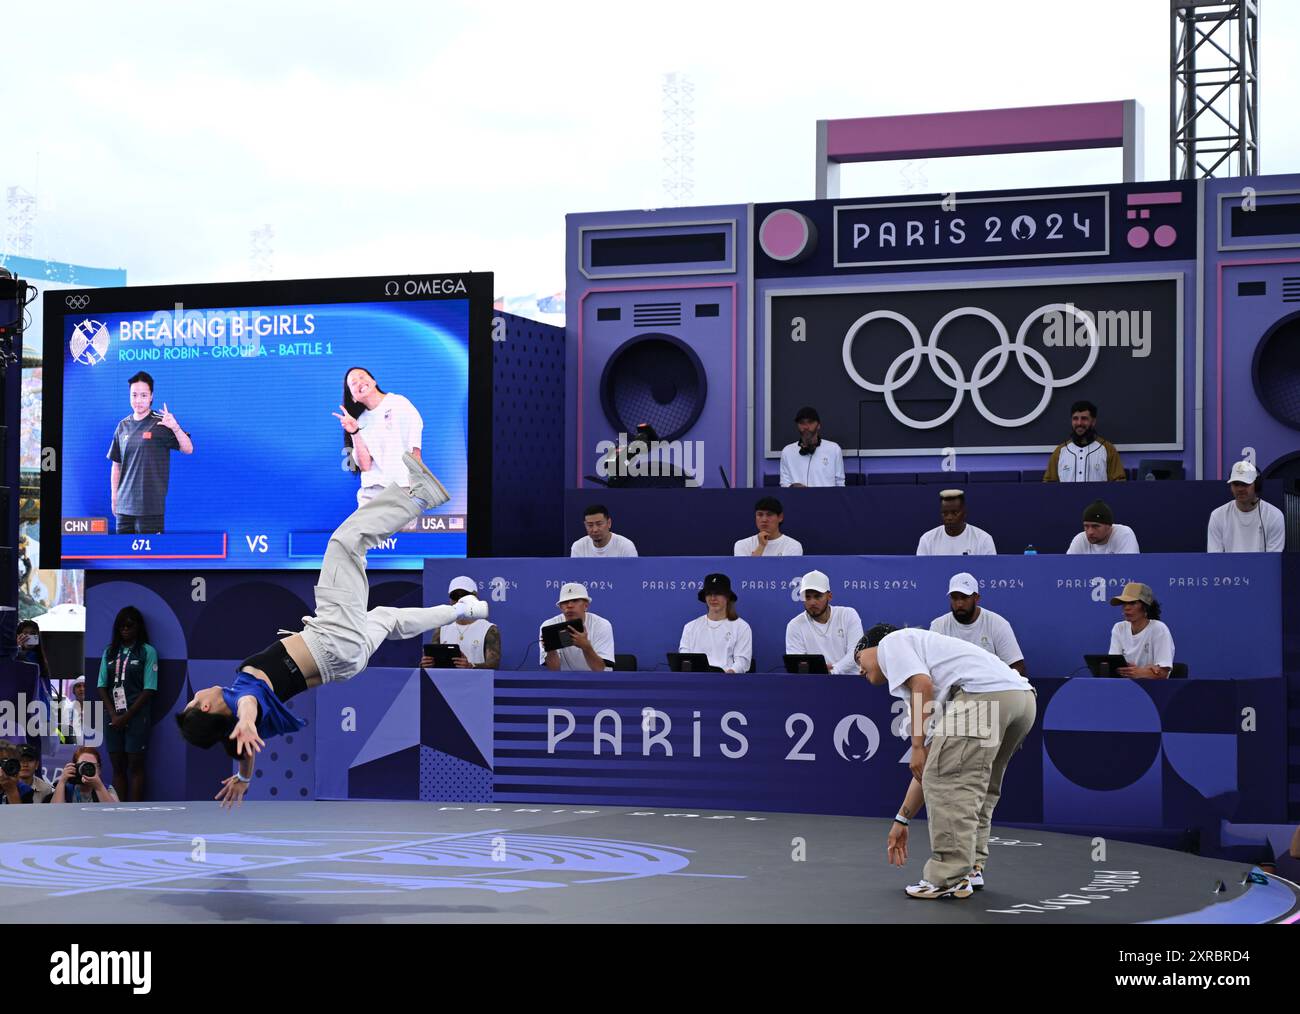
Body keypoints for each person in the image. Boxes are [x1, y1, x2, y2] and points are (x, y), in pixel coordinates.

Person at [176, 452, 480, 807]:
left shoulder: (243, 720)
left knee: (387, 617)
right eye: (196, 701)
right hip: (331, 639)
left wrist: (244, 777)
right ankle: (421, 496)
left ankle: (462, 610)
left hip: (346, 663)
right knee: (344, 543)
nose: (198, 694)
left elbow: (244, 749)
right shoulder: (241, 695)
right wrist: (245, 720)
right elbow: (248, 701)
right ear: (209, 709)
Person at [855, 624, 1036, 900]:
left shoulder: (892, 642)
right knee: (976, 787)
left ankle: (947, 877)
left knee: (952, 785)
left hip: (984, 697)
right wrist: (901, 819)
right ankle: (971, 869)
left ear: (872, 645)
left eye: (859, 659)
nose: (859, 670)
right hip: (1020, 700)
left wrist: (916, 745)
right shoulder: (934, 671)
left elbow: (922, 685)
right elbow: (930, 772)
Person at [107, 370, 194, 534]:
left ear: (151, 396)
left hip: (151, 509)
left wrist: (175, 427)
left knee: (149, 558)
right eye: (134, 395)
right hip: (124, 509)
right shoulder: (122, 426)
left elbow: (188, 449)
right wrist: (114, 497)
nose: (138, 400)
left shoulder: (162, 423)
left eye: (143, 395)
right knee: (124, 557)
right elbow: (116, 465)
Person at [333, 367, 425, 506]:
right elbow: (365, 466)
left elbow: (415, 451)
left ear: (374, 381)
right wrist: (355, 432)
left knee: (406, 527)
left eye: (362, 377)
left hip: (403, 487)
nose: (360, 382)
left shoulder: (399, 402)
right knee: (361, 528)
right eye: (353, 383)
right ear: (353, 397)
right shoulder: (358, 421)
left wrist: (416, 485)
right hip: (371, 492)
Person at [96, 606, 158, 803]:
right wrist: (114, 715)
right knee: (117, 766)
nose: (125, 630)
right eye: (121, 626)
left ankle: (135, 809)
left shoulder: (147, 651)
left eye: (130, 626)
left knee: (135, 765)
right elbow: (101, 685)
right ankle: (119, 810)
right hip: (113, 716)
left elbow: (149, 689)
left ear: (138, 627)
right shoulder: (110, 651)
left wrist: (126, 716)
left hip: (137, 715)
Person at [929, 573, 1026, 675]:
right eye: (954, 598)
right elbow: (931, 667)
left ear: (976, 598)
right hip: (953, 687)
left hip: (991, 687)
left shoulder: (998, 623)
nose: (959, 604)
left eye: (964, 597)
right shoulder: (938, 626)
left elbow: (1017, 666)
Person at [784, 570, 864, 674]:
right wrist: (826, 673)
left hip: (851, 681)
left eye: (817, 596)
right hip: (814, 684)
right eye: (807, 597)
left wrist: (833, 671)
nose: (812, 602)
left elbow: (856, 653)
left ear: (829, 596)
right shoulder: (794, 625)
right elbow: (798, 665)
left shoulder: (848, 615)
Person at [421, 576, 501, 670]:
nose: (460, 601)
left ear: (475, 597)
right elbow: (433, 660)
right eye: (455, 596)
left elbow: (493, 665)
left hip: (476, 683)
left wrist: (471, 666)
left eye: (464, 596)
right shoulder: (441, 628)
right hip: (445, 682)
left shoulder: (489, 629)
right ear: (450, 599)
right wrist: (427, 664)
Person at [679, 573, 753, 674]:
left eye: (718, 593)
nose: (713, 598)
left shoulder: (742, 627)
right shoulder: (690, 627)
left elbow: (742, 661)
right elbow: (684, 658)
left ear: (727, 597)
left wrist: (730, 673)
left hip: (728, 684)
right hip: (696, 683)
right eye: (709, 593)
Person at [1207, 460, 1285, 552]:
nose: (1240, 489)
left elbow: (1273, 560)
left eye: (1245, 484)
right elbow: (1215, 558)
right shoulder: (1217, 516)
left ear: (1256, 486)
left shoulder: (1274, 515)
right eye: (1236, 484)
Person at [1043, 400, 1125, 483]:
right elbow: (1049, 484)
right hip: (1067, 496)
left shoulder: (1108, 449)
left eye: (1084, 418)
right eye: (1075, 418)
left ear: (1093, 422)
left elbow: (1119, 483)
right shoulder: (1060, 451)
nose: (1079, 423)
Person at [539, 583, 615, 672]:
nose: (569, 605)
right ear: (560, 607)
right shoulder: (549, 626)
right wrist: (550, 650)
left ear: (586, 605)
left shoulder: (602, 625)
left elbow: (599, 669)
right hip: (566, 682)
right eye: (564, 602)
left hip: (599, 681)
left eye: (575, 600)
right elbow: (554, 669)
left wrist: (586, 647)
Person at [1107, 582, 1173, 679]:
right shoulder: (1118, 628)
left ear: (1145, 606)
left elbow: (1163, 673)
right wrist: (1145, 671)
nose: (1126, 608)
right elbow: (1114, 667)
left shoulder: (1159, 628)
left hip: (1153, 691)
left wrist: (1139, 672)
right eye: (1124, 603)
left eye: (1132, 603)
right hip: (1124, 687)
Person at [915, 489, 996, 556]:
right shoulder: (927, 540)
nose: (949, 517)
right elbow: (921, 570)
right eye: (945, 513)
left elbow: (990, 571)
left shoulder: (983, 539)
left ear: (964, 513)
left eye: (955, 513)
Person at [780, 406, 845, 488]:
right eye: (802, 423)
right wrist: (792, 487)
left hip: (827, 500)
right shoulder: (787, 451)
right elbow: (784, 484)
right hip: (797, 499)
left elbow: (840, 484)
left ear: (818, 425)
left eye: (810, 422)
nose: (806, 427)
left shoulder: (834, 449)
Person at [734, 496, 803, 557]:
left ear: (780, 517)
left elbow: (789, 570)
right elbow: (745, 570)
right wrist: (761, 546)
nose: (764, 520)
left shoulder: (793, 545)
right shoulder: (742, 544)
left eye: (769, 514)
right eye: (760, 515)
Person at [1066, 500, 1140, 555]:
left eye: (1095, 526)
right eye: (1086, 526)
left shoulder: (1124, 534)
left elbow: (1130, 568)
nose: (1090, 532)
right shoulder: (1080, 539)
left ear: (1109, 526)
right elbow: (1067, 568)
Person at [50, 745, 119, 804]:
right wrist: (62, 781)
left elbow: (114, 814)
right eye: (83, 765)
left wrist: (99, 787)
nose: (87, 769)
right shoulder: (67, 789)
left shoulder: (106, 788)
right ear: (74, 767)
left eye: (91, 765)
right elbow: (55, 813)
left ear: (99, 770)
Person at [570, 504, 638, 557]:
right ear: (585, 525)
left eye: (599, 524)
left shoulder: (626, 546)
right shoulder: (578, 546)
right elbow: (575, 574)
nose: (595, 530)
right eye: (590, 525)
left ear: (609, 523)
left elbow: (633, 573)